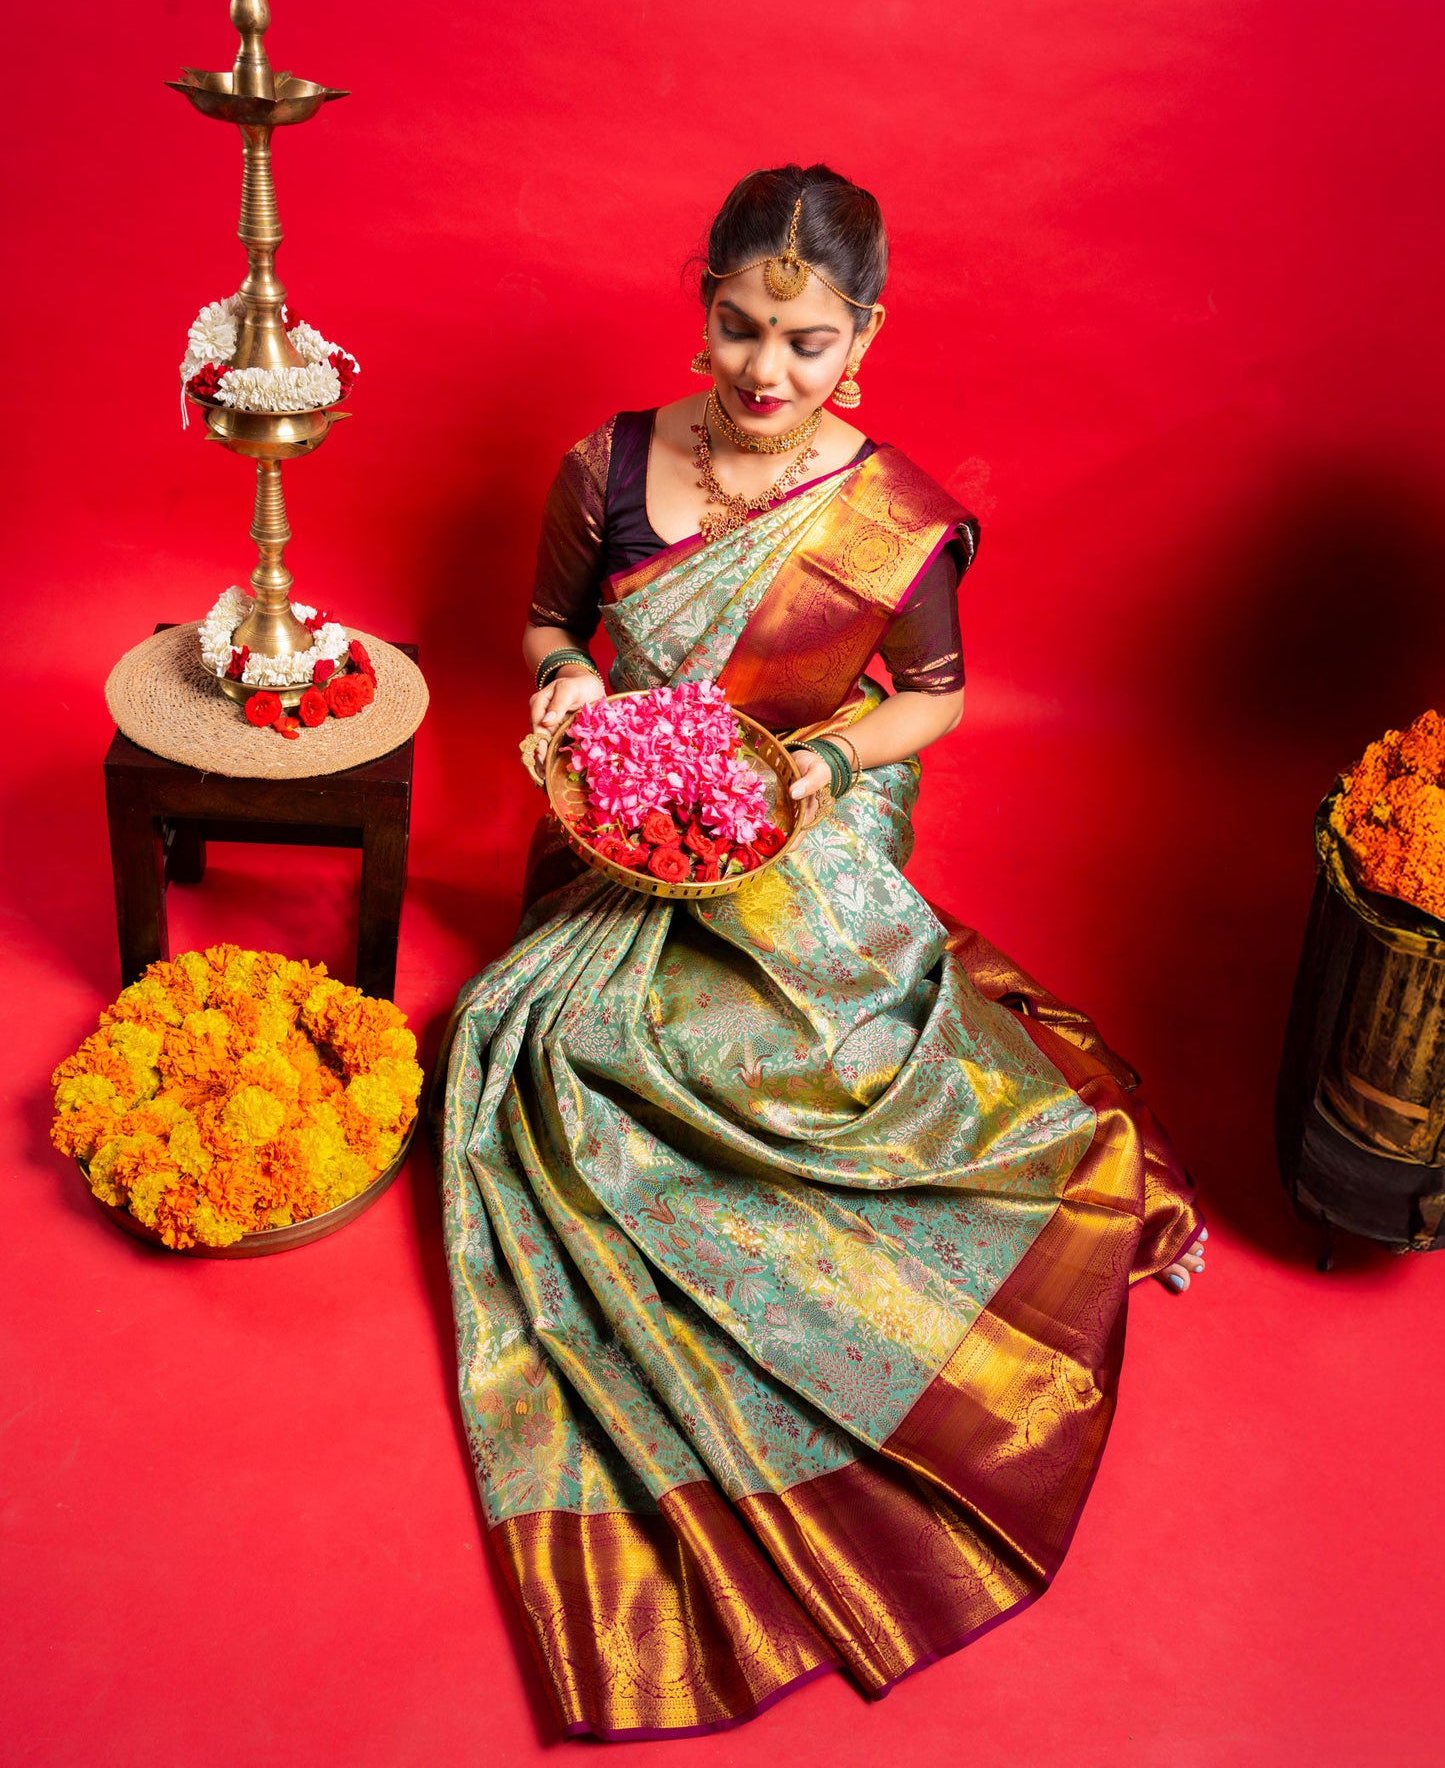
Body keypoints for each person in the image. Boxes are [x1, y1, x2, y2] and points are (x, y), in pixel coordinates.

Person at [439, 164, 1205, 1741]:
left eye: (802, 338)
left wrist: (821, 772)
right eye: (736, 328)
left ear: (862, 333)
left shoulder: (893, 513)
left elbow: (932, 697)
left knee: (794, 1058)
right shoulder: (603, 466)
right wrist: (570, 695)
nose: (763, 373)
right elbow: (539, 629)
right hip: (620, 820)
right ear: (700, 303)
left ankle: (1054, 1179)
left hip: (802, 824)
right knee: (543, 1050)